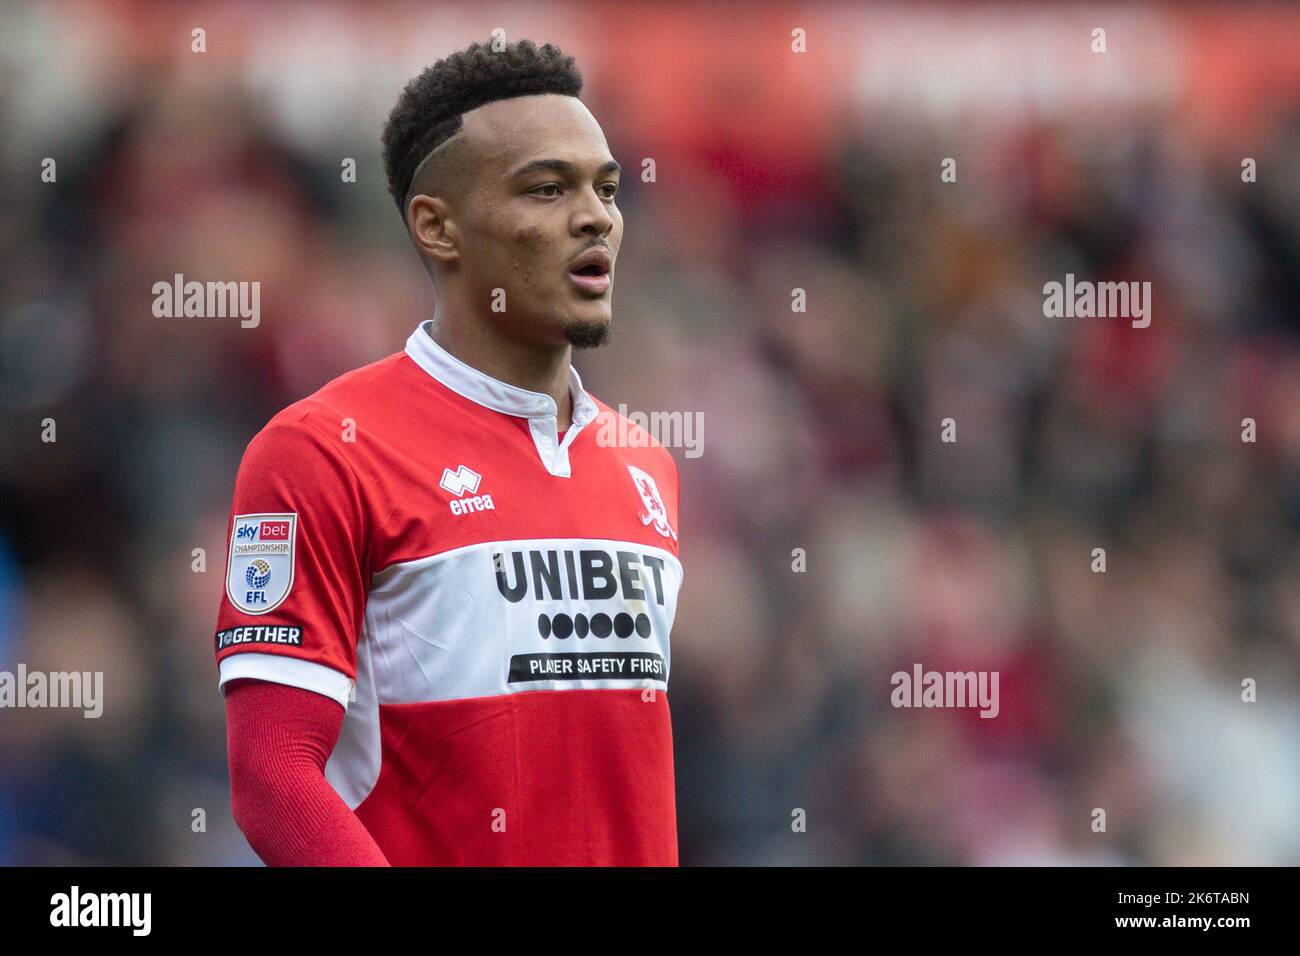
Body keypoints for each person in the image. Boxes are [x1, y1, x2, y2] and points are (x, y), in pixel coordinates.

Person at [214, 38, 683, 866]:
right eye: (548, 188)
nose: (595, 216)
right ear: (437, 226)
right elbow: (271, 775)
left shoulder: (646, 465)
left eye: (606, 190)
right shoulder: (320, 453)